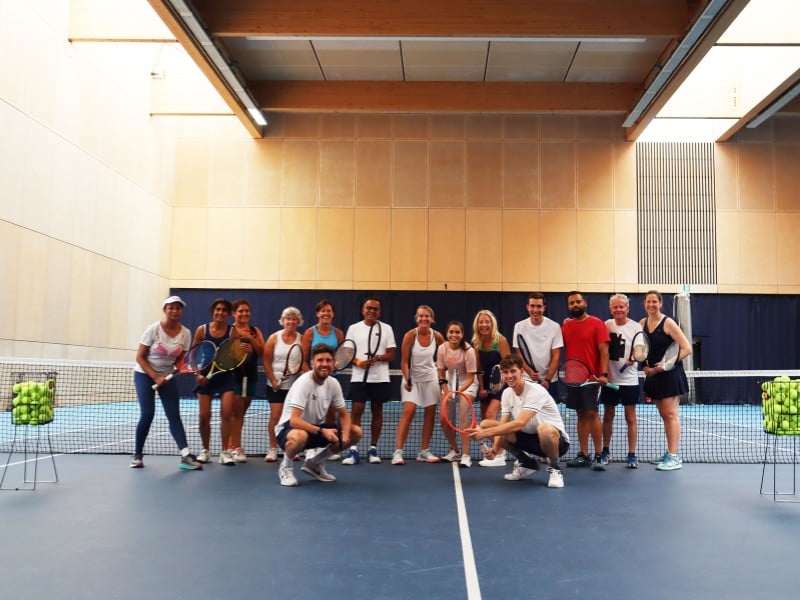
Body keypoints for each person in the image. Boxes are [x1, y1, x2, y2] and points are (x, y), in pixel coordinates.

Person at [469, 355, 569, 488]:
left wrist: (484, 433)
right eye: (505, 372)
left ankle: (555, 468)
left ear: (521, 372)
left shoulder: (535, 391)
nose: (509, 376)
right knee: (486, 424)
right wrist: (495, 449)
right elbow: (503, 425)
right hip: (528, 439)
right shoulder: (507, 393)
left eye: (513, 371)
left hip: (555, 443)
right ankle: (527, 463)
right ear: (502, 374)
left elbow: (520, 423)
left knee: (544, 428)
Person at [274, 343, 363, 486]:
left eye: (328, 360)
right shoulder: (304, 382)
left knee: (356, 432)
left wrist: (345, 436)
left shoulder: (333, 384)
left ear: (333, 363)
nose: (324, 364)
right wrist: (322, 431)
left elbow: (344, 415)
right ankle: (285, 467)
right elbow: (294, 421)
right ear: (312, 363)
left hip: (315, 428)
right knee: (300, 436)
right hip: (289, 430)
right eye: (320, 360)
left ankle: (314, 464)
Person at [131, 295, 202, 470]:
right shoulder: (153, 329)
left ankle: (185, 456)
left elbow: (179, 360)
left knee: (174, 415)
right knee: (148, 413)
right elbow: (140, 357)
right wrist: (155, 377)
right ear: (165, 310)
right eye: (171, 307)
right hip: (144, 373)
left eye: (178, 308)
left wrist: (181, 368)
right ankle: (137, 455)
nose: (174, 311)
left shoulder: (185, 333)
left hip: (167, 375)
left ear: (181, 311)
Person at [640, 290, 693, 471]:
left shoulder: (668, 323)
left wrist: (666, 365)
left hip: (670, 375)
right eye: (648, 302)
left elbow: (686, 348)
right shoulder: (642, 323)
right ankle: (670, 452)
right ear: (644, 304)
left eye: (654, 301)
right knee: (664, 415)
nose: (651, 305)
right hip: (654, 376)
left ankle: (674, 456)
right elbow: (641, 350)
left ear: (660, 303)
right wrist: (644, 366)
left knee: (671, 414)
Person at [342, 297, 397, 465]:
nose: (371, 311)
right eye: (369, 308)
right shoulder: (353, 329)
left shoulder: (387, 329)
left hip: (380, 377)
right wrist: (359, 362)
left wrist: (378, 358)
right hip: (359, 377)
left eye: (375, 309)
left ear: (379, 312)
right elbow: (347, 353)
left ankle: (373, 449)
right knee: (357, 410)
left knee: (377, 410)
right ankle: (353, 449)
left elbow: (391, 354)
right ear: (363, 310)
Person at [562, 291, 611, 471]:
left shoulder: (597, 324)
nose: (575, 305)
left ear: (585, 303)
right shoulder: (566, 326)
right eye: (571, 303)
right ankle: (584, 454)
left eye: (578, 302)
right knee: (580, 414)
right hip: (573, 378)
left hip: (592, 379)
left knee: (592, 414)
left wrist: (604, 374)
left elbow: (604, 352)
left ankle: (598, 455)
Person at [392, 305, 445, 465]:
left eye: (427, 316)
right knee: (409, 411)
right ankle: (398, 452)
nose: (424, 318)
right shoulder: (410, 336)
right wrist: (407, 379)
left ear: (432, 319)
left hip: (430, 378)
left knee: (430, 413)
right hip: (412, 378)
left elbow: (445, 354)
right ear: (416, 318)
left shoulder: (437, 336)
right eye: (421, 316)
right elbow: (404, 361)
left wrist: (440, 367)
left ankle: (424, 451)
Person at [192, 298, 236, 464]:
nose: (220, 313)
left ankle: (225, 452)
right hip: (205, 375)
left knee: (226, 413)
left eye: (224, 310)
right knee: (204, 416)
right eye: (218, 309)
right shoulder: (202, 330)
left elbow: (236, 355)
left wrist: (244, 348)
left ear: (228, 314)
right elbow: (192, 355)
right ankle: (205, 450)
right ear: (213, 311)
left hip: (225, 375)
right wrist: (197, 374)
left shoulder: (232, 331)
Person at [601, 293, 642, 468]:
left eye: (621, 306)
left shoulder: (636, 327)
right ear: (611, 309)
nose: (619, 309)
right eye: (615, 307)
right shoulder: (606, 325)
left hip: (629, 381)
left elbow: (640, 350)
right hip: (610, 380)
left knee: (630, 418)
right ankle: (605, 451)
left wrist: (635, 357)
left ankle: (632, 455)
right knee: (608, 416)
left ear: (627, 308)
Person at [301, 299, 345, 461]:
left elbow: (341, 357)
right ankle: (309, 447)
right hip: (313, 379)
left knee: (331, 414)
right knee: (311, 415)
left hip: (332, 380)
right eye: (323, 310)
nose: (326, 313)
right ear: (317, 313)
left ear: (333, 314)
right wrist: (311, 377)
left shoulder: (338, 333)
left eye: (329, 311)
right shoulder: (309, 333)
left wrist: (336, 365)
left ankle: (323, 445)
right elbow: (303, 360)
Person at [263, 306, 305, 463]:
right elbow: (266, 361)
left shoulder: (302, 339)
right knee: (275, 417)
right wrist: (273, 380)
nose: (291, 322)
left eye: (294, 319)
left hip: (295, 386)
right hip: (275, 385)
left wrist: (295, 370)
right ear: (283, 320)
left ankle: (292, 448)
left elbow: (302, 361)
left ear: (298, 322)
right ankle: (273, 449)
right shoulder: (274, 338)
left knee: (293, 419)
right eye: (288, 319)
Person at [226, 298, 265, 464]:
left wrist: (251, 342)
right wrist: (238, 350)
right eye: (240, 311)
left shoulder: (255, 330)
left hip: (251, 376)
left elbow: (263, 351)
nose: (244, 313)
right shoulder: (230, 330)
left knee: (241, 412)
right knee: (236, 412)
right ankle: (236, 448)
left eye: (247, 310)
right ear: (234, 313)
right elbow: (226, 353)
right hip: (235, 376)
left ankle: (230, 445)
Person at [471, 309, 512, 467]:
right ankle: (504, 447)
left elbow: (509, 365)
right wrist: (481, 388)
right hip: (485, 385)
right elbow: (478, 369)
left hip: (501, 384)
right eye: (481, 322)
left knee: (490, 415)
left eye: (487, 322)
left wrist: (501, 382)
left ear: (492, 323)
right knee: (485, 423)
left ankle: (500, 454)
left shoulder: (500, 340)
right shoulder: (476, 342)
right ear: (477, 325)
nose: (484, 325)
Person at [437, 320, 479, 468]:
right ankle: (455, 450)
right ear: (447, 333)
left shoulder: (469, 351)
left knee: (462, 415)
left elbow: (471, 377)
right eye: (451, 332)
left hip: (468, 384)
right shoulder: (442, 348)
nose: (454, 335)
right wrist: (447, 391)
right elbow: (441, 374)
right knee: (443, 419)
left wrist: (458, 391)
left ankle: (466, 455)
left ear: (462, 334)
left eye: (457, 332)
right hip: (449, 384)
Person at [511, 292, 564, 400]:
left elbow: (556, 356)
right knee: (527, 410)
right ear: (527, 307)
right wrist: (530, 372)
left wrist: (547, 379)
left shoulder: (555, 326)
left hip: (550, 381)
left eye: (539, 306)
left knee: (548, 410)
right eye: (532, 306)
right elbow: (519, 354)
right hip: (527, 379)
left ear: (544, 307)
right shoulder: (519, 326)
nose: (535, 310)